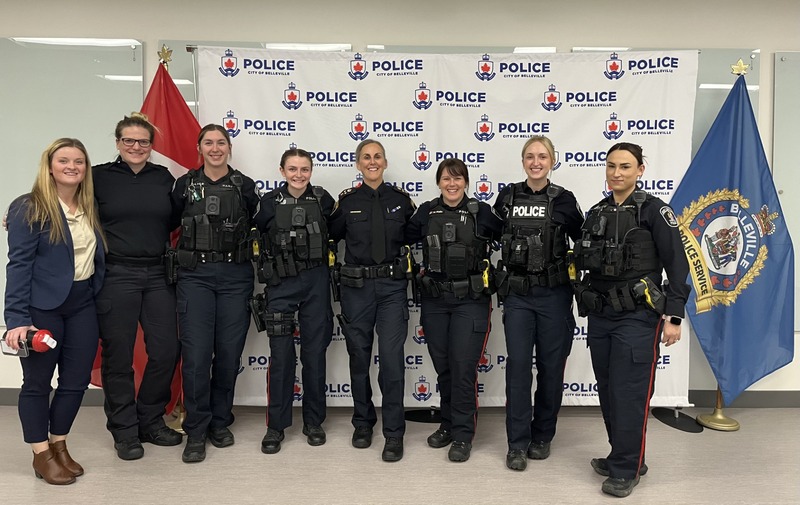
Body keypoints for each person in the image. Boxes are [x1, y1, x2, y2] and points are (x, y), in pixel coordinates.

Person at [573, 142, 689, 497]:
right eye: (611, 166)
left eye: (625, 166)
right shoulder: (595, 212)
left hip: (638, 317)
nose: (616, 173)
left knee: (630, 392)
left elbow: (678, 265)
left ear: (640, 170)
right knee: (608, 390)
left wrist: (674, 316)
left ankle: (626, 469)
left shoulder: (655, 211)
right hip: (603, 315)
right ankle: (623, 455)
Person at [4, 138, 106, 485]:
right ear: (50, 166)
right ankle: (40, 453)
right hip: (42, 308)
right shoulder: (28, 207)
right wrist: (16, 320)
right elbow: (18, 266)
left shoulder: (89, 205)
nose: (72, 167)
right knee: (36, 384)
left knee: (76, 382)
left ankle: (59, 443)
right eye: (64, 160)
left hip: (82, 304)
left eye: (79, 161)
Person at [93, 113, 182, 461]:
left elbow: (173, 220)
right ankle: (124, 430)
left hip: (159, 274)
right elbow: (63, 198)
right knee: (119, 357)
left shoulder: (163, 178)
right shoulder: (98, 177)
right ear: (117, 143)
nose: (136, 147)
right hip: (117, 274)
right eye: (129, 140)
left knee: (165, 351)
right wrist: (23, 210)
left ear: (151, 146)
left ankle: (149, 420)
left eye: (143, 141)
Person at [493, 135, 584, 472]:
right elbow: (485, 231)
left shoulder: (564, 200)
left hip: (554, 296)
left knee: (550, 368)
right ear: (523, 161)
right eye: (530, 156)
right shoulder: (507, 197)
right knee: (517, 368)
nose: (536, 162)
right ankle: (516, 444)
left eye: (542, 156)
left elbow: (586, 240)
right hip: (518, 296)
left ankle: (542, 435)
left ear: (552, 161)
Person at [171, 124, 259, 463]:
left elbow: (262, 224)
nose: (215, 148)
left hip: (235, 276)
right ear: (199, 148)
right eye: (208, 142)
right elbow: (163, 222)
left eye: (221, 142)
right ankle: (196, 429)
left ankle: (220, 422)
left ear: (229, 147)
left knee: (228, 353)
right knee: (195, 356)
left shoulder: (244, 186)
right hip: (195, 277)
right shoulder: (184, 185)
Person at [405, 158, 502, 463]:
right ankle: (447, 424)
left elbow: (509, 239)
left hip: (470, 301)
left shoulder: (481, 213)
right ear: (438, 182)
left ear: (466, 182)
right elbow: (401, 237)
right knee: (444, 367)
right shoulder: (425, 212)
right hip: (435, 300)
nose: (451, 184)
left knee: (462, 369)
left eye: (457, 178)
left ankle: (462, 434)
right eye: (446, 178)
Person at [329, 139, 415, 462]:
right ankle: (363, 423)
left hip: (392, 288)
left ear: (385, 162)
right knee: (358, 359)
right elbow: (329, 235)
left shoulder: (401, 201)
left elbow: (417, 233)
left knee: (392, 361)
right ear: (358, 164)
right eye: (366, 157)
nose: (372, 161)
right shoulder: (347, 202)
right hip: (356, 289)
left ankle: (394, 433)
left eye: (377, 156)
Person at [252, 148, 335, 454]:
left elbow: (336, 234)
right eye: (293, 169)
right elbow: (257, 234)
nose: (298, 175)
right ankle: (276, 426)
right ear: (282, 170)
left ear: (311, 172)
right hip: (281, 283)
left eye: (304, 169)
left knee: (314, 354)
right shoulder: (269, 203)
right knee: (281, 356)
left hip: (315, 281)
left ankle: (314, 422)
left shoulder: (324, 201)